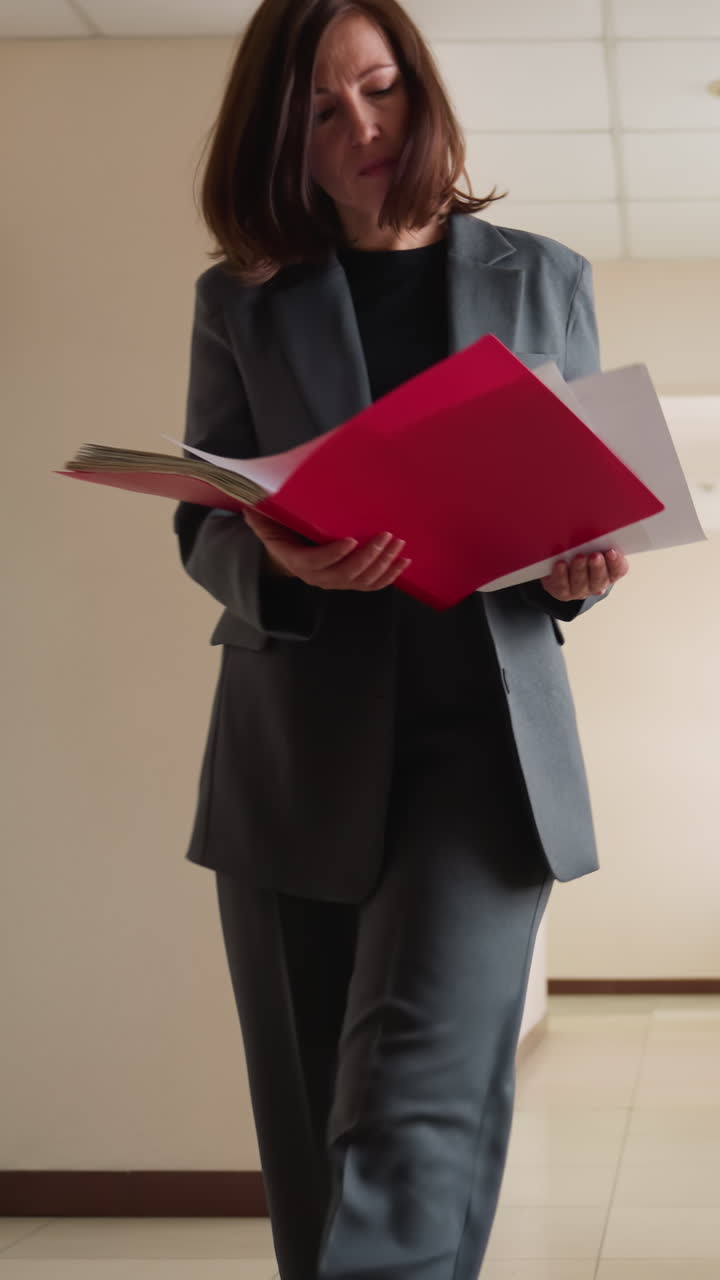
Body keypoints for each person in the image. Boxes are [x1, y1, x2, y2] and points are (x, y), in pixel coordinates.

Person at [174, 1, 629, 1277]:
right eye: (322, 110)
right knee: (318, 1151)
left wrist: (578, 570)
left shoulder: (545, 277)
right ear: (281, 137)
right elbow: (206, 530)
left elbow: (573, 522)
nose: (364, 126)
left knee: (411, 1119)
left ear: (418, 88)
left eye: (379, 89)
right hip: (293, 760)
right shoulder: (241, 301)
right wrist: (274, 553)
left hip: (484, 762)